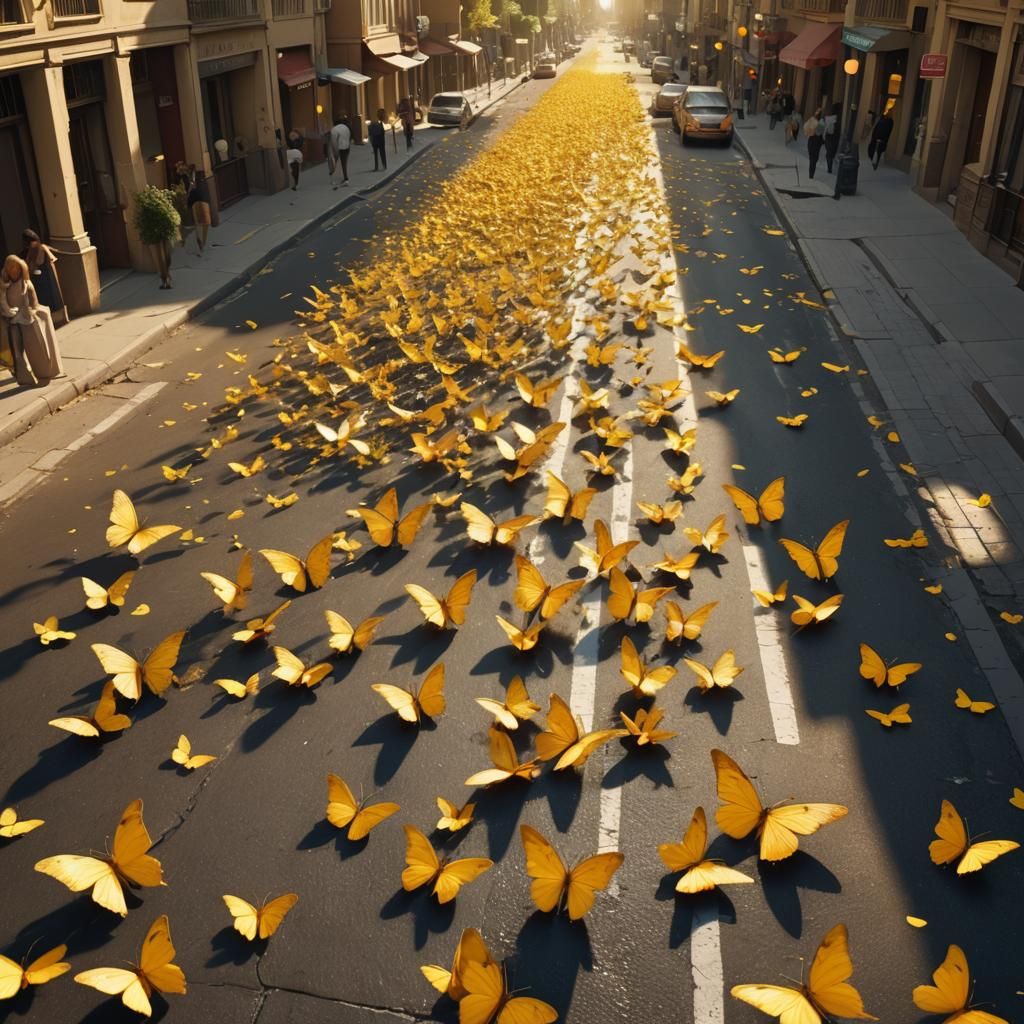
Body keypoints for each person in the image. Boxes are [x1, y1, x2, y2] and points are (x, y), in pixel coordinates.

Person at [0, 254, 64, 386]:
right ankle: (25, 377)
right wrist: (7, 311)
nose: (14, 271)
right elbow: (3, 302)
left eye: (16, 268)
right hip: (12, 322)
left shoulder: (26, 284)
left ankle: (45, 372)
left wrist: (32, 311)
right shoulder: (4, 286)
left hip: (27, 320)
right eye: (11, 268)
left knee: (38, 348)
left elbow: (34, 302)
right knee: (17, 352)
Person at [20, 230, 67, 326]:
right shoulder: (37, 247)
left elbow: (37, 263)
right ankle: (56, 320)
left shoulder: (37, 247)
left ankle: (54, 321)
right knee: (49, 298)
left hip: (42, 276)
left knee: (47, 298)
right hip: (43, 275)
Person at [174, 163, 212, 254]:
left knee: (205, 221)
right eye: (180, 169)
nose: (181, 171)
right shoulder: (183, 178)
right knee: (197, 221)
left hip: (201, 196)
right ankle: (200, 242)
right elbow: (183, 190)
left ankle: (203, 242)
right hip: (192, 198)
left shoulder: (197, 173)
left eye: (182, 168)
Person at [329, 116, 352, 189]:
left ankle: (344, 178)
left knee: (337, 163)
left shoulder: (334, 130)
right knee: (344, 163)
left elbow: (333, 141)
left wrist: (335, 151)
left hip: (339, 148)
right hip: (347, 147)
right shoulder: (346, 127)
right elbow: (349, 136)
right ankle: (344, 178)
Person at [805, 107, 825, 179]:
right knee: (814, 159)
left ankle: (811, 173)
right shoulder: (821, 122)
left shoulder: (812, 119)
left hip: (810, 140)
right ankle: (811, 174)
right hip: (816, 142)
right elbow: (819, 133)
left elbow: (806, 128)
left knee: (812, 158)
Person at [823, 102, 841, 173]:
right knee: (832, 153)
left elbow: (824, 128)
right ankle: (830, 166)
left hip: (829, 137)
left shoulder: (828, 118)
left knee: (829, 153)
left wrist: (823, 137)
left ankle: (829, 168)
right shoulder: (840, 118)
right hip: (835, 137)